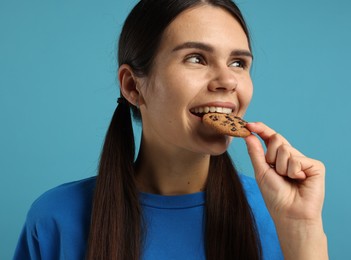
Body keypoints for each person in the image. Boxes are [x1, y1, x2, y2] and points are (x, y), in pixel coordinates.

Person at [14, 0, 328, 259]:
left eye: (238, 63)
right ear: (133, 86)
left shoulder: (274, 214)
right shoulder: (57, 219)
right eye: (196, 58)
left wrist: (302, 229)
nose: (228, 81)